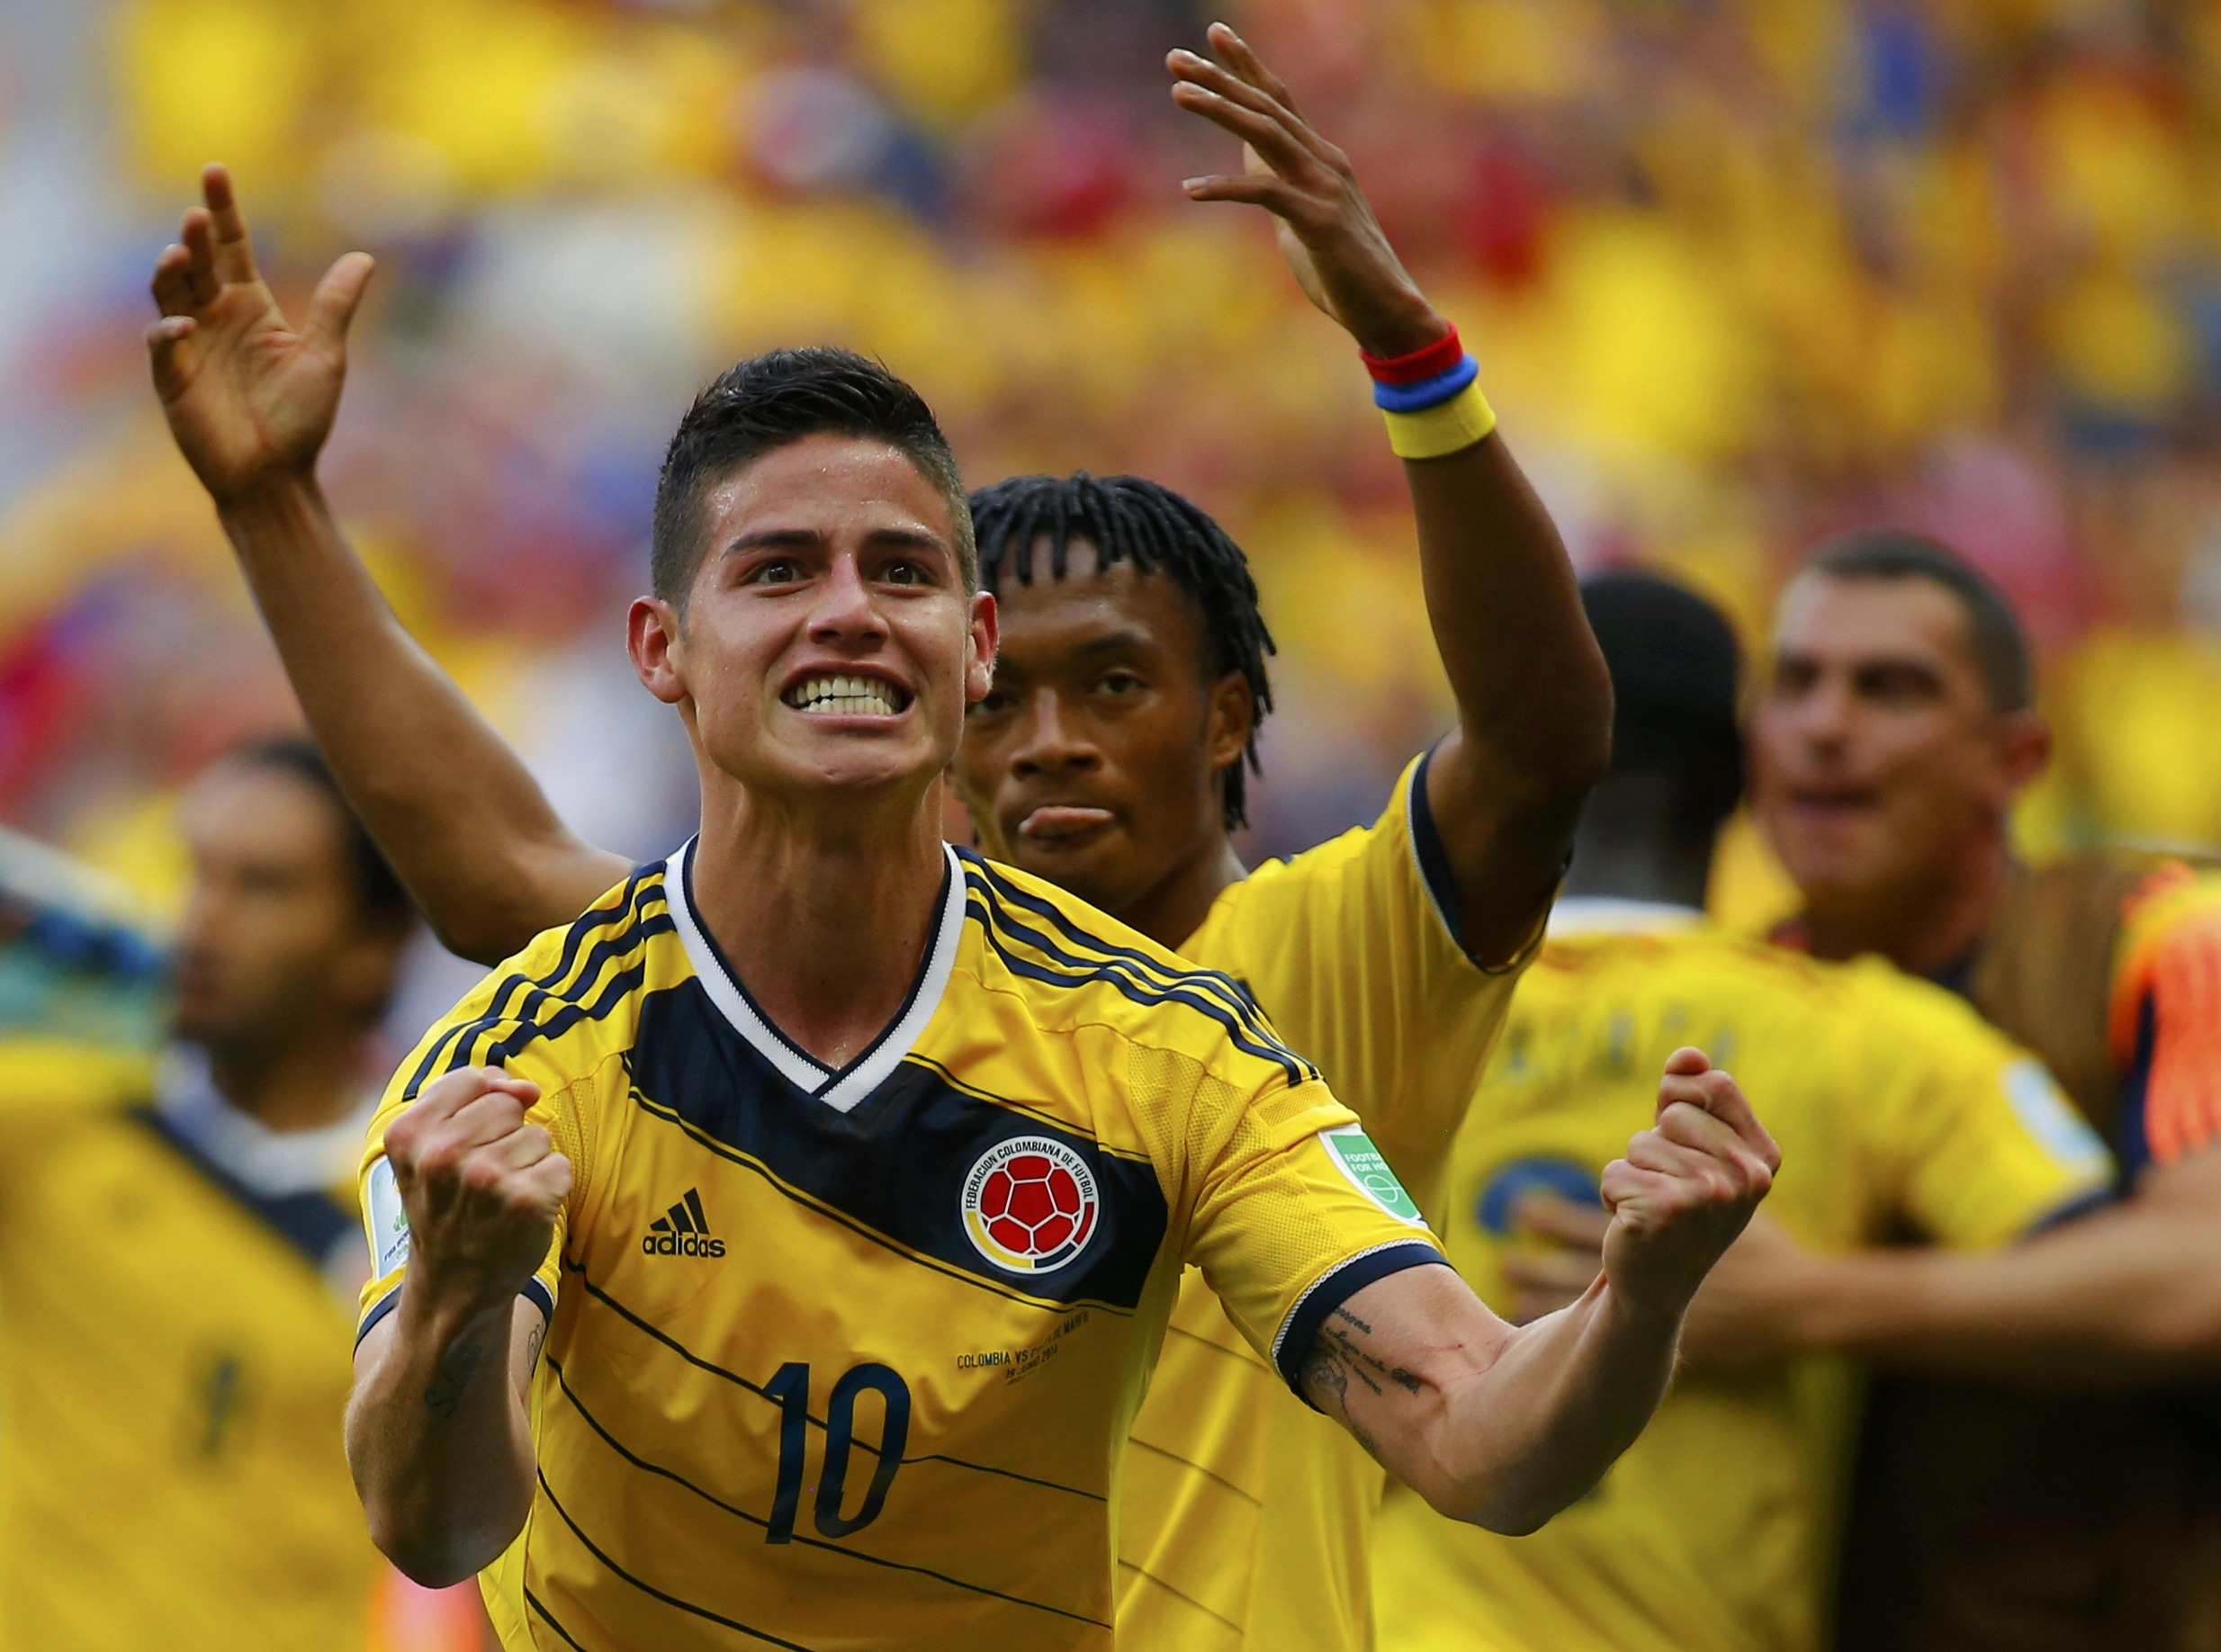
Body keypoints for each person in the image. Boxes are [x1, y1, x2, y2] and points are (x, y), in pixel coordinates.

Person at [142, 26, 1676, 1648]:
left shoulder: (1212, 1026)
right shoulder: (551, 1043)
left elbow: (1476, 1414)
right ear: (663, 648)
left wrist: (1632, 1296)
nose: (1052, 737)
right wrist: (457, 1291)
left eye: (903, 577)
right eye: (783, 571)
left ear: (971, 643)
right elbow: (436, 1514)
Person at [1369, 573, 2116, 1652]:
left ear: (1476, 771)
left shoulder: (1358, 1023)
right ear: (1736, 783)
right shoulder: (1866, 1029)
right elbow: (2102, 1276)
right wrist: (1817, 1300)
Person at [1739, 529, 2221, 1651]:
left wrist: (1810, 1304)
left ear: (2012, 760)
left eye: (1889, 689)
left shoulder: (2161, 940)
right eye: (1794, 683)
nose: (1823, 726)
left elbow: (2203, 1276)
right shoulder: (1727, 999)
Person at [0, 739, 415, 1650]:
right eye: (195, 872)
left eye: (260, 886)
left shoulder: (422, 1216)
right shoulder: (43, 1126)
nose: (200, 919)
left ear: (371, 949)